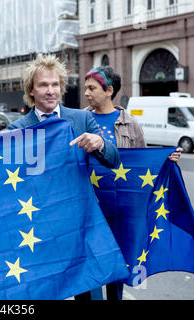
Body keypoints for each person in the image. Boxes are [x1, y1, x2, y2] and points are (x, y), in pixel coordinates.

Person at [84, 66, 182, 300]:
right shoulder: (80, 119)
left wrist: (165, 159)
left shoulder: (131, 123)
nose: (86, 93)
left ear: (108, 90)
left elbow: (142, 164)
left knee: (119, 264)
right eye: (86, 88)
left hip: (122, 210)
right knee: (92, 267)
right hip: (90, 209)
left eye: (92, 88)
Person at [7, 53, 120, 169]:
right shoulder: (16, 130)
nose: (50, 91)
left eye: (55, 84)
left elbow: (114, 161)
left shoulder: (83, 119)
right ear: (31, 90)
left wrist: (101, 143)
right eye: (43, 85)